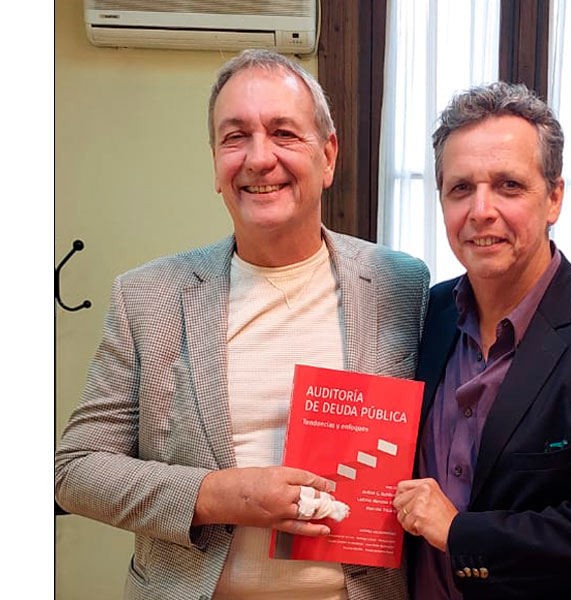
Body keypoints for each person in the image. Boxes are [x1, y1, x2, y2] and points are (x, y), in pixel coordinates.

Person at [55, 49, 429, 600]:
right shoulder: (149, 296)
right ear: (215, 163)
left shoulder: (401, 284)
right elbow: (76, 469)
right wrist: (221, 495)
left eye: (283, 133)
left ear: (328, 156)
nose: (259, 158)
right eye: (235, 137)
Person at [393, 82, 571, 599]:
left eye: (508, 185)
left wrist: (459, 533)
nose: (481, 210)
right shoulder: (425, 314)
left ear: (554, 198)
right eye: (461, 188)